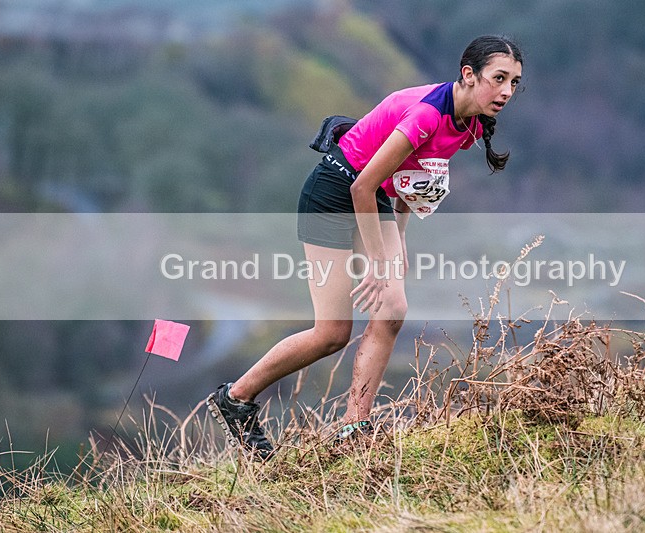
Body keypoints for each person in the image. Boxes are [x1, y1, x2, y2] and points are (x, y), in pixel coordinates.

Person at [206, 35, 524, 459]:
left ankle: (353, 426)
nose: (506, 91)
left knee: (392, 311)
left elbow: (411, 180)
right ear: (469, 75)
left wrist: (402, 237)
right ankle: (236, 398)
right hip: (333, 193)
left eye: (515, 82)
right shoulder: (429, 115)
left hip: (370, 198)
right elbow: (362, 185)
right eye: (499, 78)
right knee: (332, 333)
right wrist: (378, 258)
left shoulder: (470, 125)